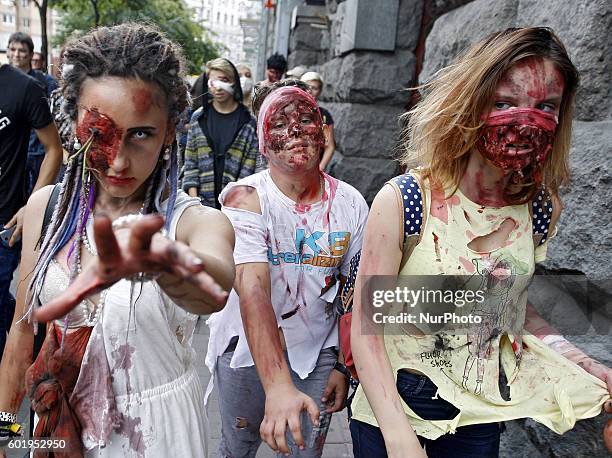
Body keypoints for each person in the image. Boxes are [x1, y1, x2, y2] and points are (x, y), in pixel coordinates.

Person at [348, 27, 612, 458]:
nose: (525, 122)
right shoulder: (406, 199)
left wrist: (581, 364)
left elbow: (509, 309)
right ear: (472, 102)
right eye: (505, 102)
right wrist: (398, 437)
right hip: (395, 408)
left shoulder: (539, 209)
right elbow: (368, 330)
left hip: (481, 418)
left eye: (545, 106)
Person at [0, 23, 235, 456]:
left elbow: (215, 286)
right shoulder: (47, 211)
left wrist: (168, 263)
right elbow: (19, 343)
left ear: (169, 131)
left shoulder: (191, 222)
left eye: (141, 133)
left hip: (159, 438)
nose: (119, 160)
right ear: (73, 124)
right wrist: (7, 436)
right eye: (99, 134)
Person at [204, 80, 369, 457]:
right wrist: (277, 386)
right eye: (278, 125)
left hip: (317, 353)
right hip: (244, 347)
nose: (294, 131)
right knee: (238, 446)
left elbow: (355, 289)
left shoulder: (351, 203)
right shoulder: (244, 198)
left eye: (306, 120)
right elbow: (253, 287)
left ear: (323, 131)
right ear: (262, 142)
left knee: (303, 450)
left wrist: (344, 365)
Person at [0, 53, 62, 364]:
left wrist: (31, 207)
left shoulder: (22, 87)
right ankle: (30, 329)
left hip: (5, 221)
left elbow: (54, 148)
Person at [183, 57, 260, 209]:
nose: (218, 88)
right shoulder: (199, 118)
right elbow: (191, 163)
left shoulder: (248, 123)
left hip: (237, 207)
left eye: (224, 80)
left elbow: (252, 169)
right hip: (200, 204)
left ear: (234, 82)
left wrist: (235, 205)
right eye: (212, 82)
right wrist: (195, 203)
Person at [7, 33, 59, 195]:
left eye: (21, 50)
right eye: (13, 49)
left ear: (30, 54)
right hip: (12, 153)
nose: (16, 54)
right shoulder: (4, 82)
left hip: (38, 151)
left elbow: (57, 114)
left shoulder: (45, 82)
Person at [301, 72, 335, 172]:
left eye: (315, 88)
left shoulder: (324, 115)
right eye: (308, 87)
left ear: (319, 91)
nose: (311, 91)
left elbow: (330, 146)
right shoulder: (292, 111)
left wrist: (321, 167)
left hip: (314, 168)